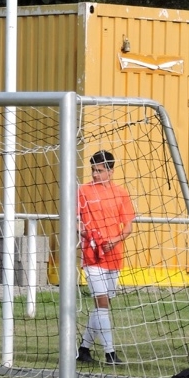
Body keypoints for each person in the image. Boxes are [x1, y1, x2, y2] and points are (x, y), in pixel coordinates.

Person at [76, 150, 135, 366]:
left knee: (103, 305)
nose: (94, 174)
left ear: (110, 171)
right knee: (101, 302)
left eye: (99, 170)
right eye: (93, 170)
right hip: (92, 256)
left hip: (114, 256)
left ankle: (83, 349)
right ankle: (110, 353)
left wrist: (115, 240)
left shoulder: (121, 194)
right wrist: (89, 235)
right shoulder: (82, 191)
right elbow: (76, 221)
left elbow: (128, 227)